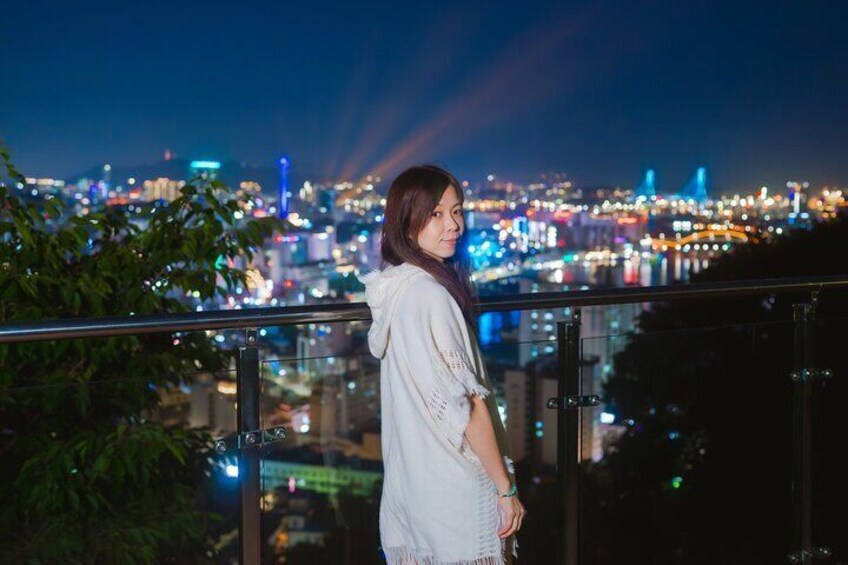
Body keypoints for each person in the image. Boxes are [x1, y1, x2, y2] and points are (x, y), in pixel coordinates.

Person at [358, 165, 524, 565]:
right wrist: (504, 489)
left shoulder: (397, 289)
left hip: (414, 485)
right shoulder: (431, 297)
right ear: (406, 220)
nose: (453, 225)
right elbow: (467, 405)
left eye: (457, 211)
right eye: (436, 213)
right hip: (455, 488)